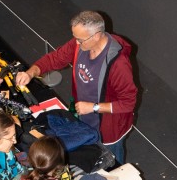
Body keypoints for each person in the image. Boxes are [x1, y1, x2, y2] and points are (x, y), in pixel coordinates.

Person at [16, 10, 137, 163]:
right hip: (83, 114)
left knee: (112, 162)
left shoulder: (118, 65)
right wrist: (30, 73)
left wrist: (93, 107)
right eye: (75, 38)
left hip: (109, 128)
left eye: (80, 39)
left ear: (97, 35)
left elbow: (128, 103)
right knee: (90, 152)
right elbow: (55, 58)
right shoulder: (79, 44)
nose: (76, 43)